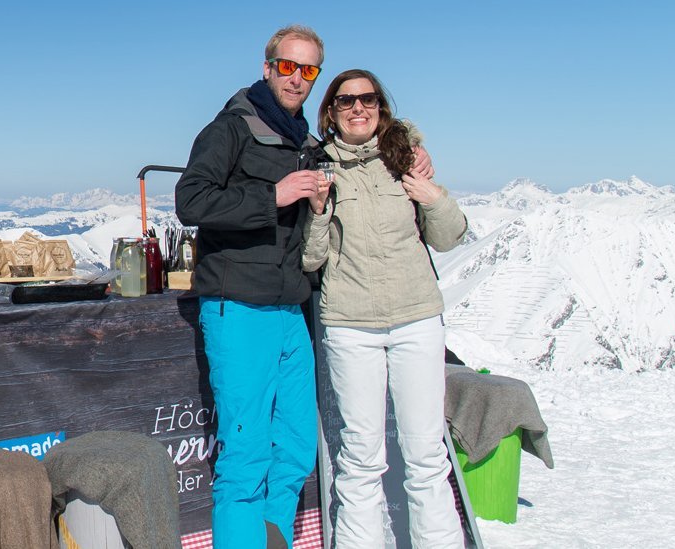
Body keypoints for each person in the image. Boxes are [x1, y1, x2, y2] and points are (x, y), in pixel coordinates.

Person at [174, 25, 328, 548]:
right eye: (288, 66)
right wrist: (274, 196)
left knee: (295, 448)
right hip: (238, 307)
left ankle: (272, 540)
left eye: (308, 70)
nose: (297, 79)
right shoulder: (232, 128)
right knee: (245, 458)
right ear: (268, 68)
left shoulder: (304, 140)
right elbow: (190, 201)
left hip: (290, 309)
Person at [303, 69, 467, 548]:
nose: (359, 108)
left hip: (417, 317)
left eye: (368, 99)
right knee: (360, 460)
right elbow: (311, 259)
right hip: (352, 325)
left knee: (426, 457)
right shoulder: (319, 167)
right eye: (346, 101)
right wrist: (317, 211)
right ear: (330, 113)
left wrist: (433, 197)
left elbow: (448, 236)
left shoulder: (405, 159)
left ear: (381, 107)